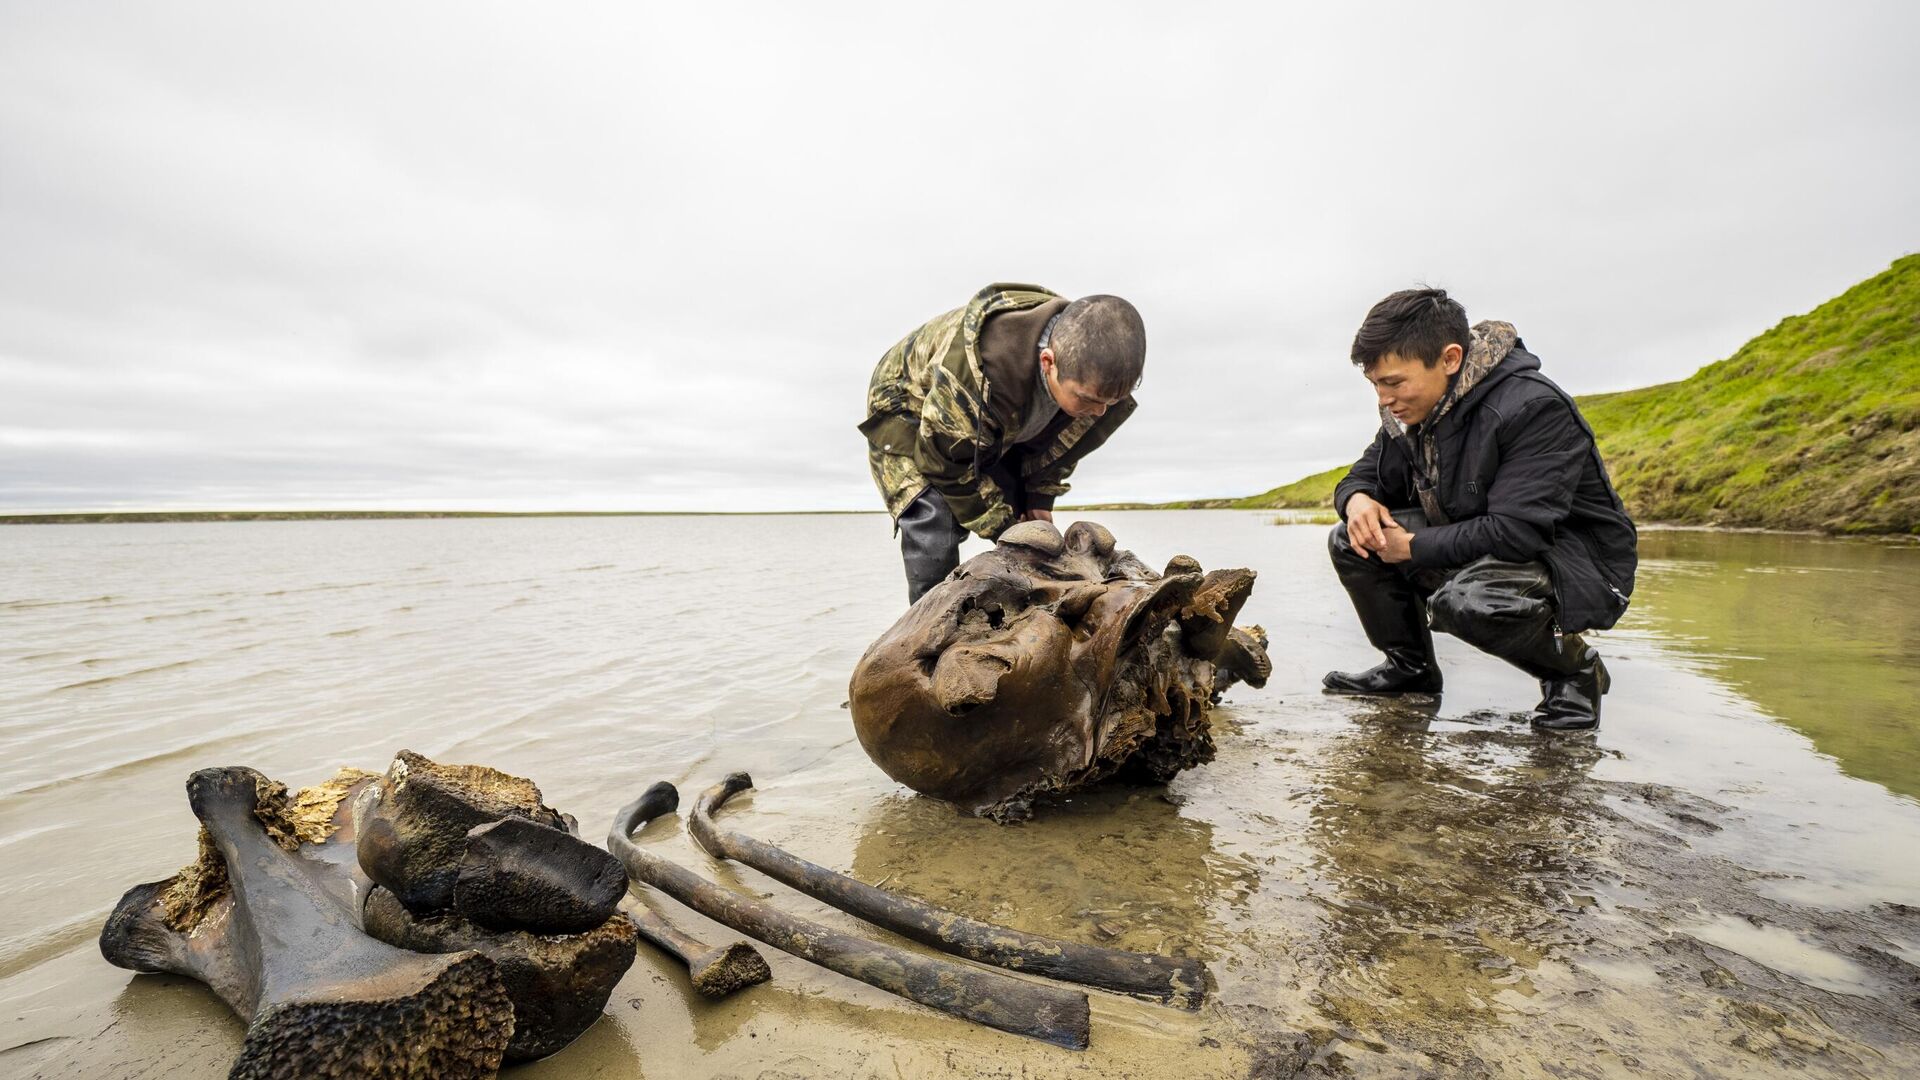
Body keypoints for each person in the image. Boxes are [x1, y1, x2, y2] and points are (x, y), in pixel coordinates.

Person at [1324, 288, 1637, 730]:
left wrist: (1411, 546)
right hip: (1484, 541)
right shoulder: (1409, 414)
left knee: (1472, 602)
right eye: (1375, 384)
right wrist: (1356, 502)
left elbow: (1518, 532)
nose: (1383, 398)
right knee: (1351, 539)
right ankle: (1410, 669)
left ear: (1450, 359)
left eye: (1393, 382)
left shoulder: (1533, 406)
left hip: (1573, 563)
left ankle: (1574, 673)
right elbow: (1362, 477)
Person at [859, 284, 1145, 602]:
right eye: (1088, 399)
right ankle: (930, 626)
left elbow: (1057, 447)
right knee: (935, 518)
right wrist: (1004, 527)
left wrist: (1038, 498)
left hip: (994, 423)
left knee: (1028, 522)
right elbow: (943, 465)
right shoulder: (977, 375)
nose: (1098, 411)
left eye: (1110, 401)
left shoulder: (1093, 380)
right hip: (906, 408)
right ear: (1049, 363)